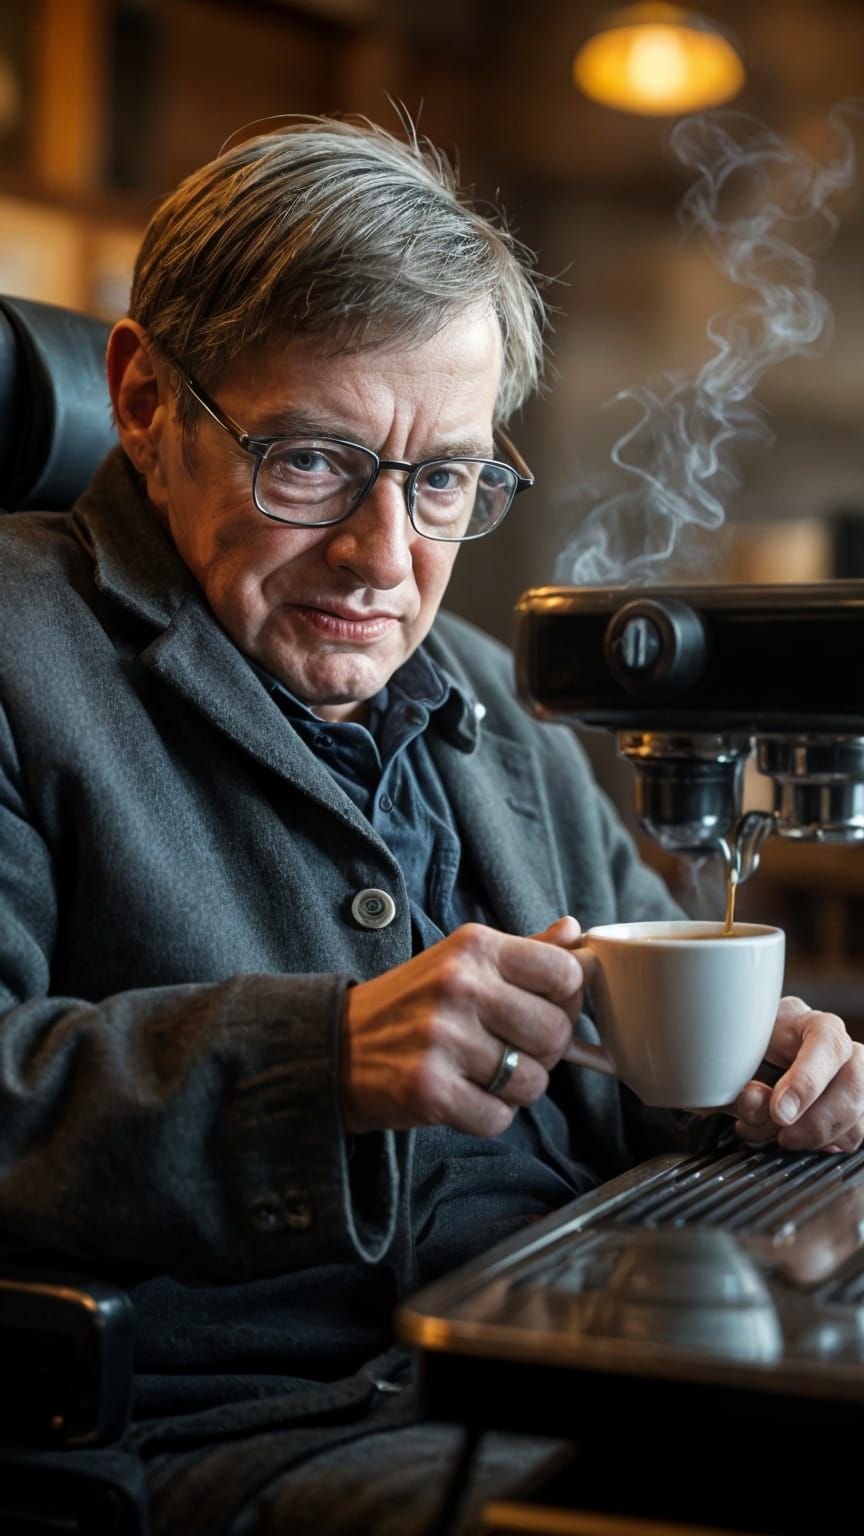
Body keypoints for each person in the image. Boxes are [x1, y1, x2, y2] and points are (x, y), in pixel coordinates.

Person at [0, 116, 862, 1536]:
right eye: (310, 461)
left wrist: (768, 1078)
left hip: (579, 1359)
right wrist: (321, 1064)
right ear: (145, 401)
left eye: (445, 478)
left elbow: (646, 1032)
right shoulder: (20, 654)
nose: (385, 560)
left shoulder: (478, 690)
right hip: (267, 1427)